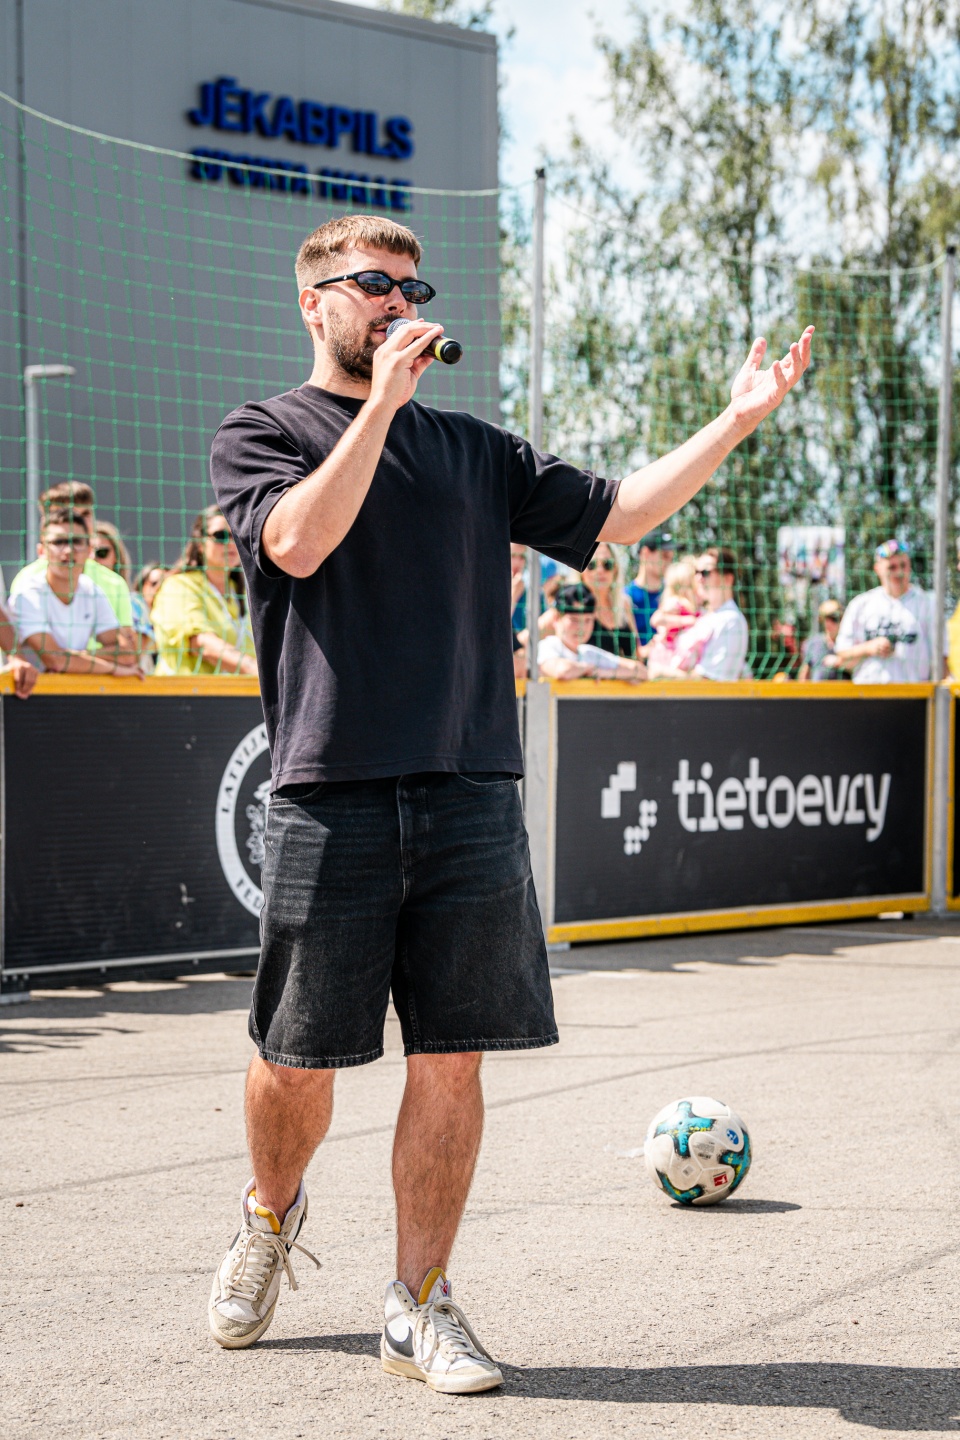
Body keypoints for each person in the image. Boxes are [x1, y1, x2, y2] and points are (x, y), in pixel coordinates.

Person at [207, 210, 812, 1393]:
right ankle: (269, 1216)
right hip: (330, 792)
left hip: (471, 790)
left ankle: (418, 1302)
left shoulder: (477, 451)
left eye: (412, 287)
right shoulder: (263, 432)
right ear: (314, 302)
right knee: (298, 1062)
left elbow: (620, 514)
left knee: (452, 1058)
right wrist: (380, 409)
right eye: (374, 284)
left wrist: (737, 419)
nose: (399, 303)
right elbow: (298, 544)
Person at [10, 509, 140, 676]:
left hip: (72, 689)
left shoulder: (91, 591)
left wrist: (73, 658)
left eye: (77, 541)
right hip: (24, 691)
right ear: (42, 551)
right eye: (59, 542)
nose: (69, 550)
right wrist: (113, 668)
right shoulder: (28, 594)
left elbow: (127, 654)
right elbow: (55, 661)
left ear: (89, 550)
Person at [150, 506, 257, 676]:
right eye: (220, 536)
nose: (230, 543)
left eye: (236, 535)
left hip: (245, 690)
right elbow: (201, 643)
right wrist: (255, 670)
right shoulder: (178, 587)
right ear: (200, 544)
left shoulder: (246, 592)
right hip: (189, 691)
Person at [833, 539, 941, 684]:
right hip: (868, 692)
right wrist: (868, 648)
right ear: (877, 569)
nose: (899, 572)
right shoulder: (860, 604)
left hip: (914, 693)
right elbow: (841, 654)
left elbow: (942, 657)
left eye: (903, 565)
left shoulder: (927, 604)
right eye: (892, 567)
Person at [670, 548, 749, 680]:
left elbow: (709, 680)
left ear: (728, 579)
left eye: (705, 572)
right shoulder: (704, 617)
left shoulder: (732, 620)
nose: (698, 578)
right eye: (696, 572)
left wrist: (661, 672)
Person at [537, 584, 645, 680]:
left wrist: (606, 673)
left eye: (587, 620)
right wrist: (589, 669)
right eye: (574, 620)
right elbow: (562, 671)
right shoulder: (547, 646)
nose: (581, 627)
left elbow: (641, 670)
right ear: (556, 619)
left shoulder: (588, 652)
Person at [577, 542, 639, 656]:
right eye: (591, 565)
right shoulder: (572, 605)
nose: (600, 570)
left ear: (615, 569)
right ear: (580, 571)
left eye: (607, 564)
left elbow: (637, 653)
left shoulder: (624, 603)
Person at [644, 558, 700, 678]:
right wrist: (686, 621)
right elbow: (655, 620)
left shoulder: (692, 605)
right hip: (666, 651)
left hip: (676, 652)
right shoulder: (675, 602)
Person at [626, 528, 674, 645]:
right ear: (645, 553)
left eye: (671, 557)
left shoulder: (674, 593)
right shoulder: (626, 596)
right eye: (665, 555)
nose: (669, 562)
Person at [798, 599, 844, 681]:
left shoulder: (849, 644)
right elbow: (805, 674)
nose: (828, 623)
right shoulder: (812, 643)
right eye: (825, 618)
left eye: (834, 618)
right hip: (818, 688)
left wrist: (839, 662)